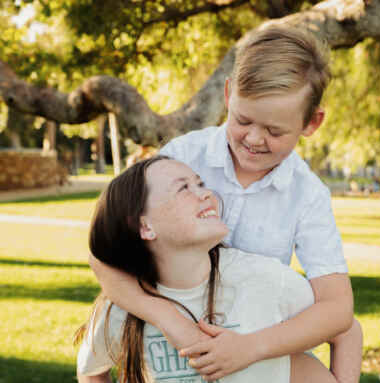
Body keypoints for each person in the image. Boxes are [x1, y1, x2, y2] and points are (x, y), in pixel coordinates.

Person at [89, 26, 363, 382]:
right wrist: (171, 322)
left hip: (263, 362)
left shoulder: (306, 194)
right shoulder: (181, 158)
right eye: (243, 120)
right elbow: (103, 250)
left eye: (274, 131)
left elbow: (338, 309)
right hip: (176, 359)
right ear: (229, 94)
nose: (253, 139)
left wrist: (250, 348)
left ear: (312, 123)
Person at [76, 156, 337, 383]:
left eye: (200, 183)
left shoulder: (263, 278)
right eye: (183, 189)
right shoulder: (121, 310)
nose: (206, 193)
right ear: (145, 227)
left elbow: (343, 328)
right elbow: (91, 371)